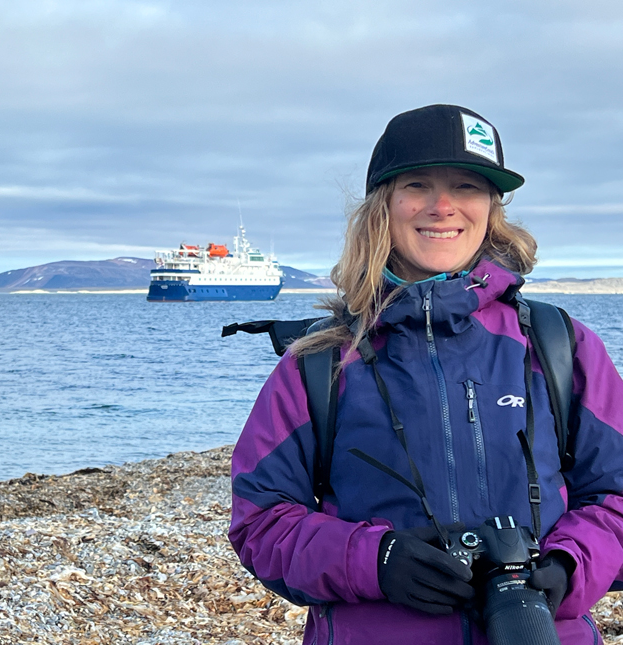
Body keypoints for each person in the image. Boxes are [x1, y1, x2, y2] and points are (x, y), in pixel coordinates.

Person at [229, 104, 623, 644]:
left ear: (490, 207)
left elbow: (616, 496)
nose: (443, 207)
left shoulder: (558, 346)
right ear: (383, 206)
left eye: (466, 186)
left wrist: (567, 568)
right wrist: (376, 560)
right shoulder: (319, 362)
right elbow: (261, 522)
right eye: (418, 184)